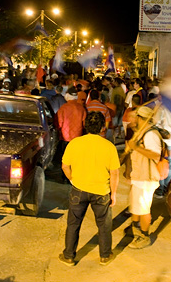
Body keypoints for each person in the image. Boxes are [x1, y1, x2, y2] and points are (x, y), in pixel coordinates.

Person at [58, 111, 120, 267]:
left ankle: (69, 256)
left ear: (86, 126)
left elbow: (65, 166)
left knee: (73, 224)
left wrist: (73, 179)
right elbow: (114, 173)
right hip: (101, 192)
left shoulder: (74, 143)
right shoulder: (109, 147)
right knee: (104, 225)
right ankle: (105, 256)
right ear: (102, 128)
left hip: (78, 189)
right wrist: (114, 193)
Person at [126, 106, 163, 249]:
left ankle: (144, 236)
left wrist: (135, 147)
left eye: (135, 116)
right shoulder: (142, 132)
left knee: (144, 209)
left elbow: (155, 155)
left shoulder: (150, 135)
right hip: (140, 176)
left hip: (146, 178)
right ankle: (135, 230)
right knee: (136, 206)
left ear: (141, 118)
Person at [154, 105, 171, 198]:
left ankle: (160, 190)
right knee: (169, 167)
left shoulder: (162, 109)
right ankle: (168, 189)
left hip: (165, 142)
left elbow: (155, 122)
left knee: (161, 166)